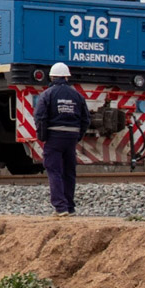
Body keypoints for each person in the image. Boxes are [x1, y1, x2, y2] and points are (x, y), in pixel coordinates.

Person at [34, 62, 91, 217]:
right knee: (69, 171)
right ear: (66, 77)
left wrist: (42, 136)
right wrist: (78, 136)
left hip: (54, 137)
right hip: (71, 138)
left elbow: (40, 117)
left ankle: (60, 208)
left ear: (52, 77)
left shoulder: (47, 94)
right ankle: (70, 207)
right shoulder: (77, 95)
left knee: (54, 170)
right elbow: (86, 119)